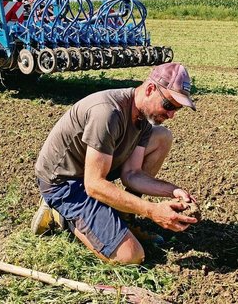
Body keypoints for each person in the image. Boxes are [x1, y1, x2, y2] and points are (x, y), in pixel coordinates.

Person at [31, 62, 199, 264]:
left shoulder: (144, 116)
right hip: (64, 183)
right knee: (131, 256)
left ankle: (123, 217)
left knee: (162, 137)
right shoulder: (107, 113)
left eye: (177, 109)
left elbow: (132, 174)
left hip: (93, 169)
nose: (171, 114)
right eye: (169, 105)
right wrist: (151, 210)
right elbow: (93, 185)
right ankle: (60, 215)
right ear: (150, 89)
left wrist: (173, 191)